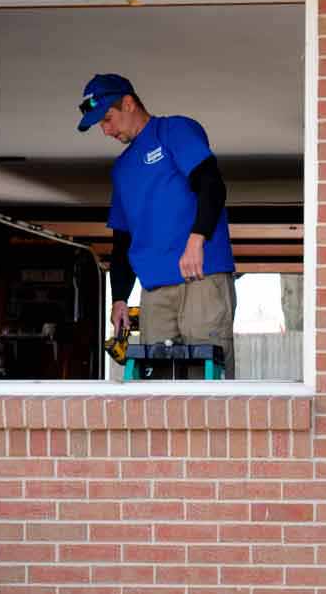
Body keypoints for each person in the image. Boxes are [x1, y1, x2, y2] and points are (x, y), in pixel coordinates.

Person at [77, 73, 237, 378]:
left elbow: (211, 185)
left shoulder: (173, 130)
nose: (105, 130)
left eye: (108, 119)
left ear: (128, 103)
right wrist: (120, 298)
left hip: (200, 277)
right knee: (155, 387)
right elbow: (122, 239)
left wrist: (196, 240)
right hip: (154, 290)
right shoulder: (123, 168)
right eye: (100, 124)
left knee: (207, 382)